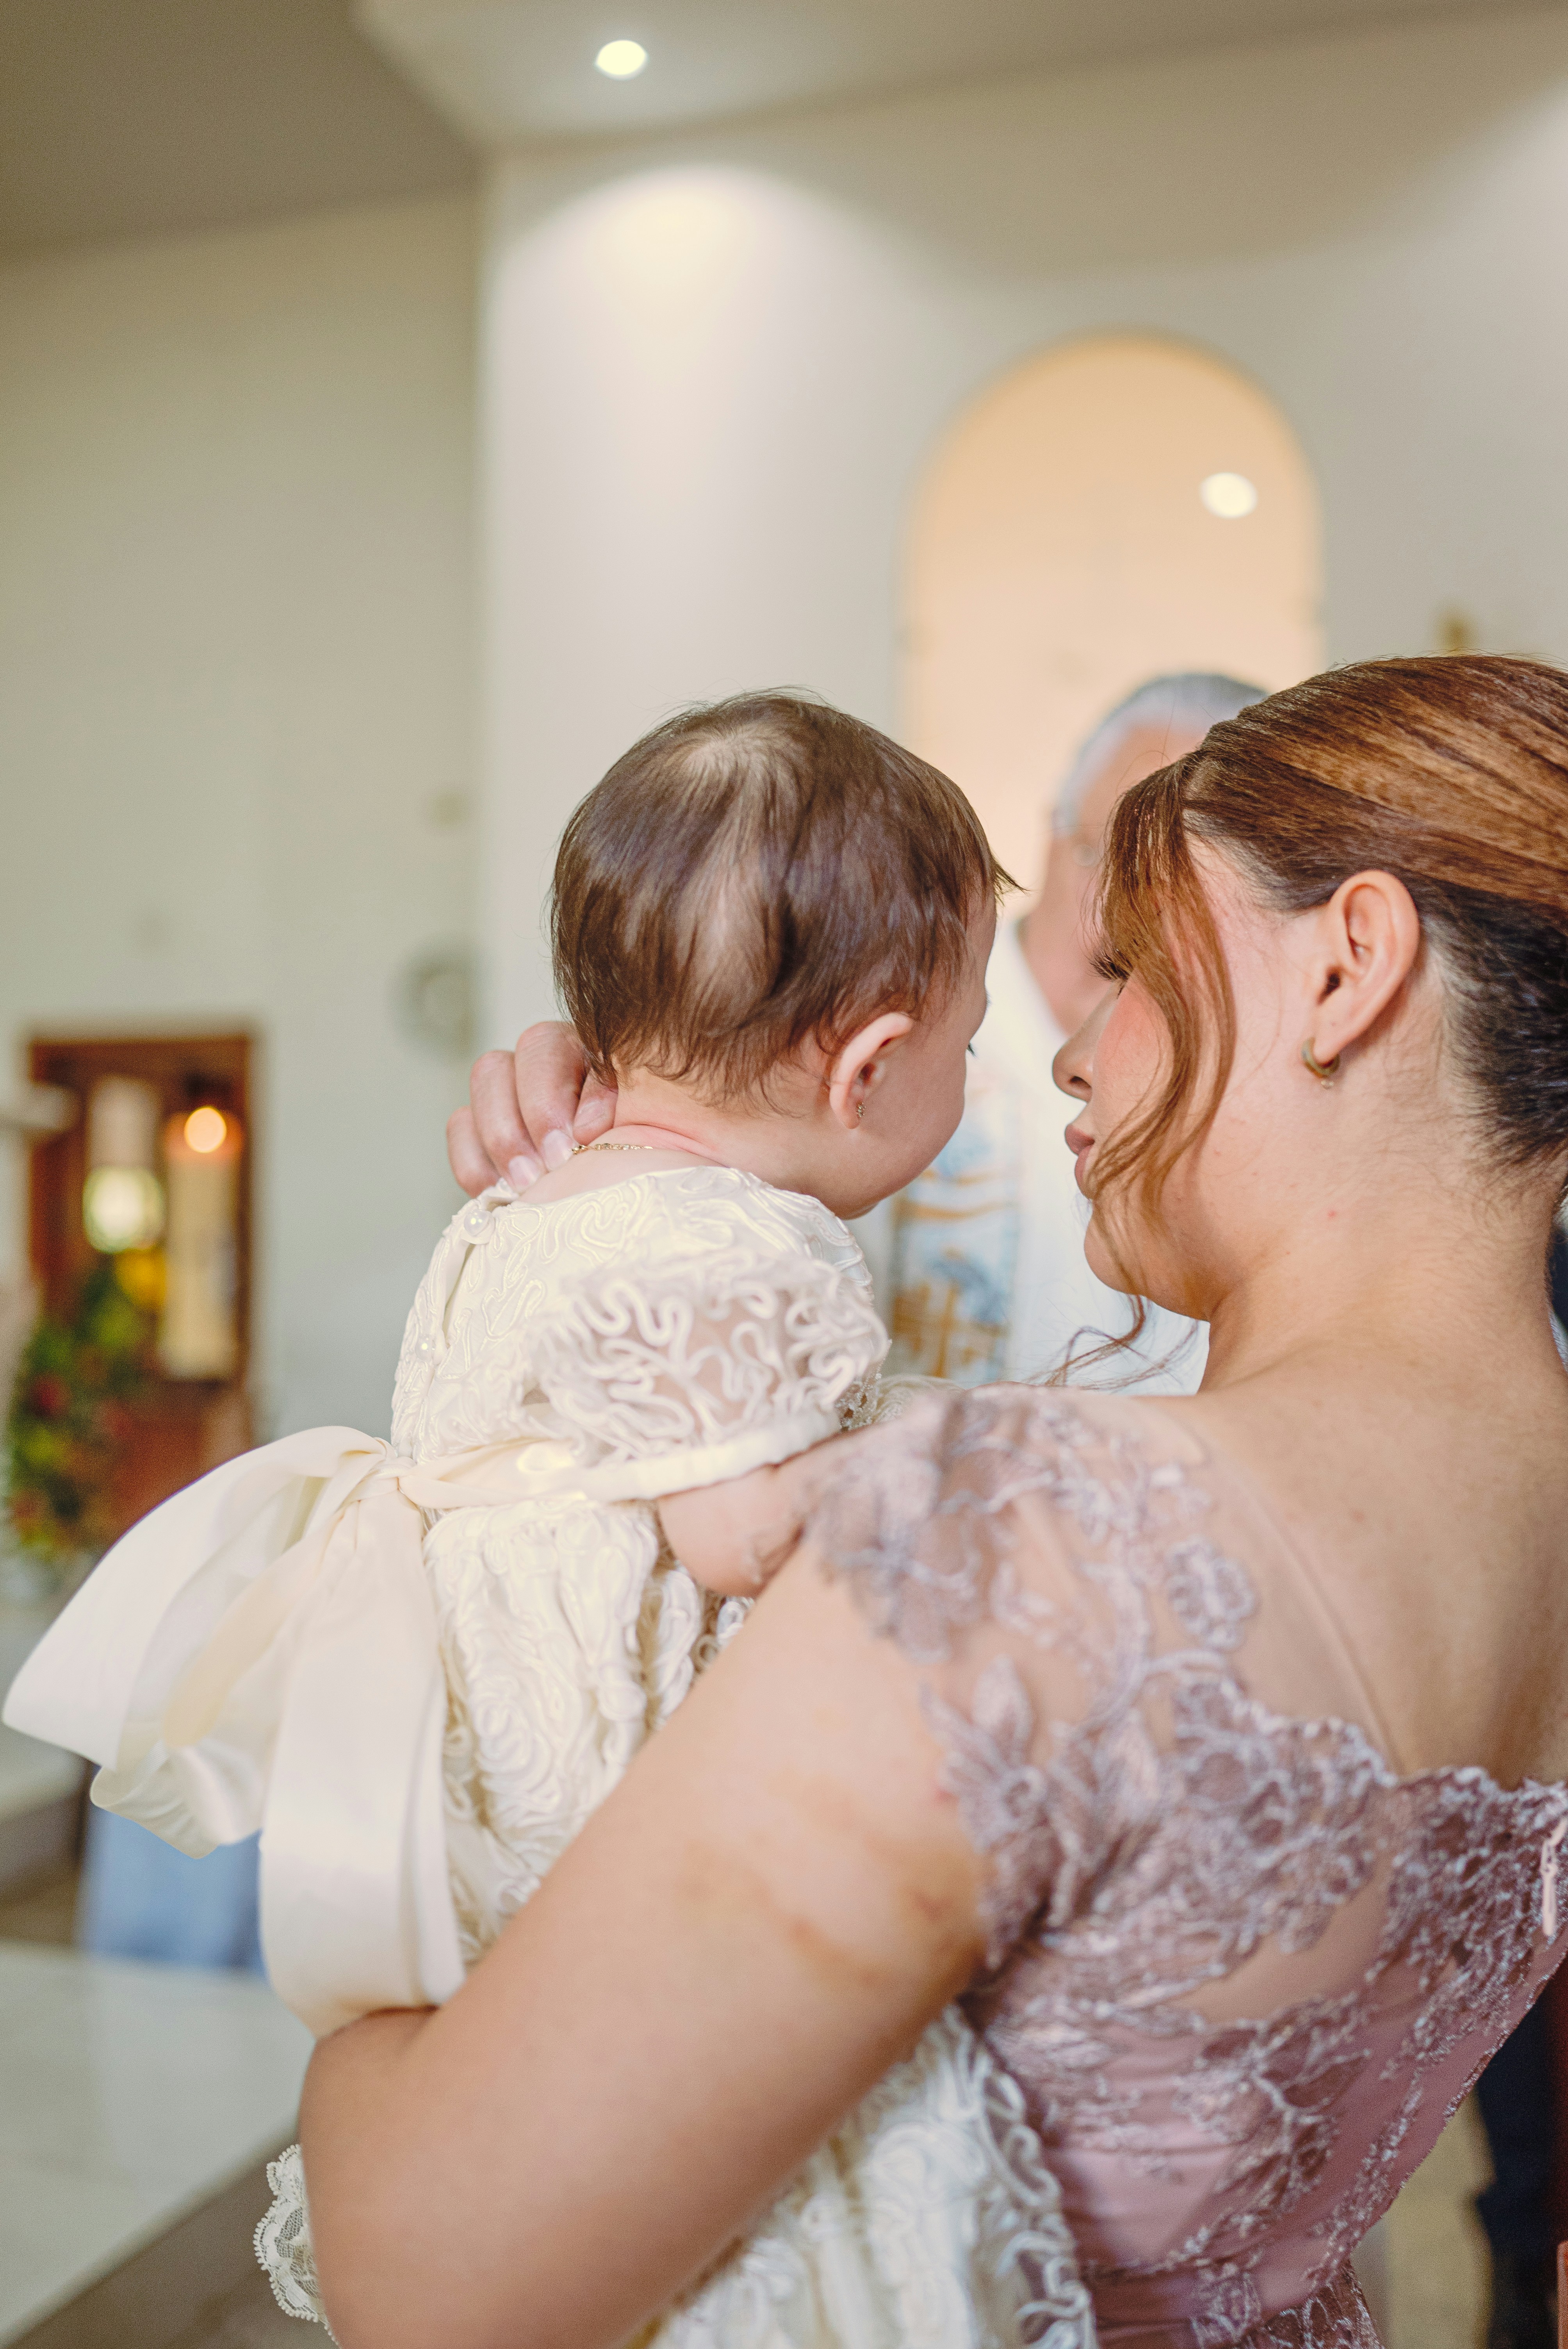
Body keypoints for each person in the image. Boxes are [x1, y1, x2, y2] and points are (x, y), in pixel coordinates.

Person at [293, 655, 1568, 2349]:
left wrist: (383, 1932)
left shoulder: (1030, 1537)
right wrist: (642, 1146)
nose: (1073, 1053)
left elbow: (425, 2272)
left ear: (1345, 967)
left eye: (1126, 968)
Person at [4, 695, 1091, 2346]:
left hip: (482, 1818)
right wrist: (958, 1444)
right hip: (627, 1822)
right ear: (870, 1064)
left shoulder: (527, 1203)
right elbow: (741, 1536)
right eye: (963, 1042)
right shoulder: (743, 1244)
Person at [886, 673, 1264, 1386]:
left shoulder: (1254, 1067)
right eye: (1109, 854)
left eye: (1181, 880)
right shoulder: (910, 1020)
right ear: (1055, 833)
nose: (1130, 899)